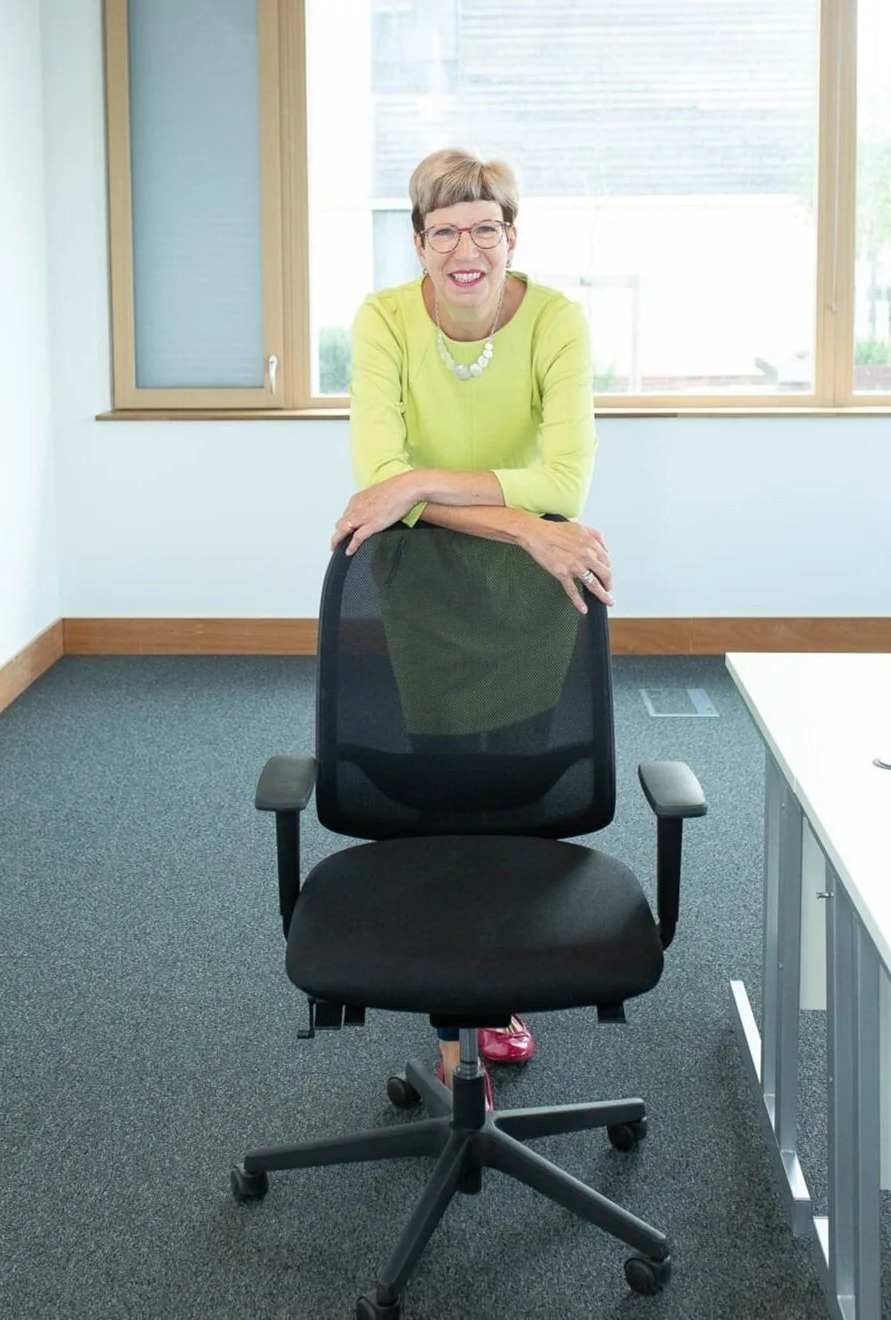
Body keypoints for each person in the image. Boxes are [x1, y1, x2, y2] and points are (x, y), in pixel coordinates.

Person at [331, 147, 614, 1097]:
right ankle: (456, 1034)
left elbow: (565, 485)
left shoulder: (555, 322)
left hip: (537, 585)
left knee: (527, 781)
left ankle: (504, 983)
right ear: (417, 243)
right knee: (444, 786)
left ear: (510, 237)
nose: (466, 247)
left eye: (483, 227)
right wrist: (481, 514)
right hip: (426, 576)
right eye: (444, 229)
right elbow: (380, 483)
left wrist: (418, 483)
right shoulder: (380, 321)